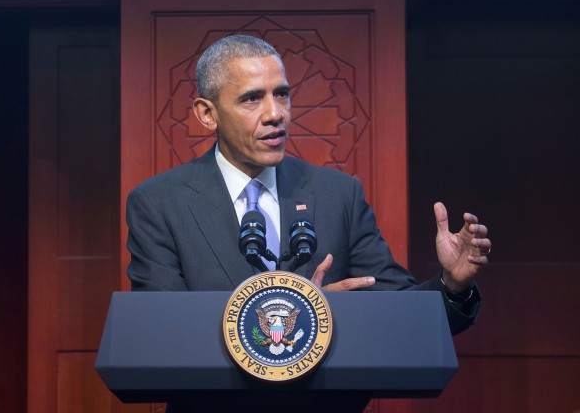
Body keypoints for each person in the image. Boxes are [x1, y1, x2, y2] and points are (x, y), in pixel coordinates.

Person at [126, 34, 490, 336]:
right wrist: (302, 309)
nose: (275, 114)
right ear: (207, 114)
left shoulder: (339, 194)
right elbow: (163, 330)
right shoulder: (159, 203)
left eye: (281, 94)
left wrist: (451, 285)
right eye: (252, 98)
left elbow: (401, 315)